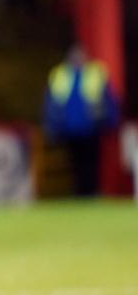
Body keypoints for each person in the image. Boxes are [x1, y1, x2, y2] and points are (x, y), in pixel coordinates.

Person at [43, 44, 119, 196]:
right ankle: (79, 192)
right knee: (75, 162)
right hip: (70, 129)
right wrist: (52, 127)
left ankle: (91, 191)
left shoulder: (95, 73)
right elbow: (51, 104)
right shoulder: (60, 75)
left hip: (91, 128)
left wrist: (110, 121)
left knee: (91, 162)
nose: (78, 59)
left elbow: (108, 100)